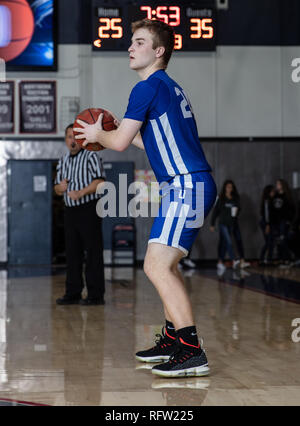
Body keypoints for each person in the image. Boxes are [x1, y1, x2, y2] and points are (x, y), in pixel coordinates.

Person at [74, 19, 217, 377]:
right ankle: (173, 338)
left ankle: (190, 350)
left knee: (155, 265)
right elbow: (143, 142)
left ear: (159, 51)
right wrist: (110, 132)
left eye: (138, 42)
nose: (130, 47)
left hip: (186, 185)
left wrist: (98, 133)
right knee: (164, 265)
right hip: (188, 185)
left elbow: (120, 143)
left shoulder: (147, 87)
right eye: (131, 42)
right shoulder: (168, 87)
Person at [54, 124, 106, 306]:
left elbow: (100, 182)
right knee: (72, 253)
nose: (72, 140)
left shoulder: (91, 156)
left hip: (88, 209)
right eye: (69, 136)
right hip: (70, 212)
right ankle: (73, 292)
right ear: (66, 140)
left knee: (93, 252)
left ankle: (95, 295)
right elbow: (57, 188)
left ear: (81, 140)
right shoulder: (63, 161)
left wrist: (81, 192)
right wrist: (59, 188)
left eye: (75, 136)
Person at [210, 180, 250, 275]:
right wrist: (212, 224)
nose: (229, 189)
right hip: (223, 223)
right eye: (228, 187)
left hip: (233, 223)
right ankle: (234, 260)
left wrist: (237, 210)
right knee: (228, 241)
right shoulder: (221, 198)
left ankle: (221, 261)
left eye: (231, 187)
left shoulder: (235, 198)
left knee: (225, 242)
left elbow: (238, 209)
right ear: (225, 188)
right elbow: (215, 212)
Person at [272, 179, 295, 264]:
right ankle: (281, 258)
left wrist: (289, 220)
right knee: (278, 240)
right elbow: (272, 209)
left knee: (283, 239)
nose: (277, 185)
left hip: (284, 221)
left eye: (278, 184)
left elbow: (292, 209)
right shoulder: (275, 196)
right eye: (276, 184)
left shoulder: (287, 196)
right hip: (276, 222)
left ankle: (288, 258)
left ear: (282, 185)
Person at [259, 185, 275, 265]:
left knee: (270, 242)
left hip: (268, 223)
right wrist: (267, 225)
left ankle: (268, 259)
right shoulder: (267, 201)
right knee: (269, 242)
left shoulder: (271, 200)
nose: (274, 193)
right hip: (265, 222)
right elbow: (267, 214)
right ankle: (263, 259)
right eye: (272, 191)